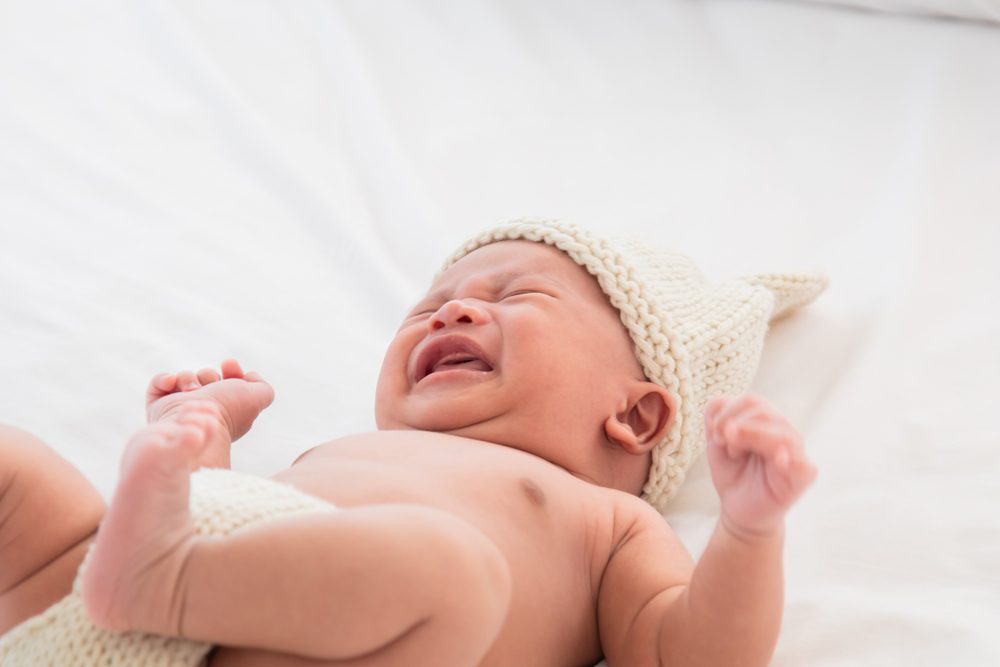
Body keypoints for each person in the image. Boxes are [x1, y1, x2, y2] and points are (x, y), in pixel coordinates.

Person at [0, 219, 825, 667]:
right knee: (20, 472)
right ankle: (160, 577)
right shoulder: (343, 450)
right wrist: (201, 438)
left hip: (315, 647)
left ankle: (163, 578)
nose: (451, 312)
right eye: (432, 305)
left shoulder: (610, 525)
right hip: (106, 623)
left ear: (636, 417)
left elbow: (688, 656)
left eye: (514, 295)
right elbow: (234, 531)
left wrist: (749, 531)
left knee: (453, 569)